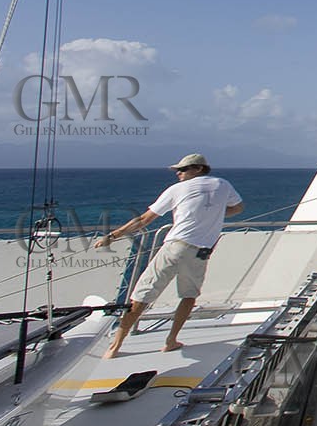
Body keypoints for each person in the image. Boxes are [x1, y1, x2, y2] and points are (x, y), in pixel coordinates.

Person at [94, 153, 243, 358]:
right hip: (201, 252)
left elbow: (144, 220)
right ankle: (171, 340)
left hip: (176, 247)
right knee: (189, 296)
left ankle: (115, 346)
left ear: (198, 169)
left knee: (141, 295)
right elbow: (238, 208)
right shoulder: (223, 185)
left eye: (182, 169)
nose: (178, 173)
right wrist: (212, 213)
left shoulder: (177, 190)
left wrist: (113, 235)